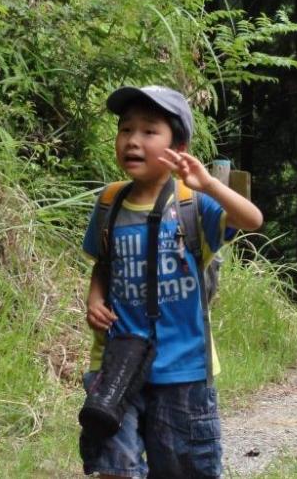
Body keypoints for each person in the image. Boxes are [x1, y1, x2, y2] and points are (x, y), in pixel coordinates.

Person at [81, 85, 263, 478]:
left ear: (177, 146)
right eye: (125, 129)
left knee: (183, 469)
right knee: (116, 467)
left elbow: (252, 220)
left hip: (182, 369)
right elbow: (102, 264)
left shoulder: (191, 204)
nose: (133, 140)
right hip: (117, 365)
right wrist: (94, 300)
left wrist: (209, 184)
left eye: (149, 132)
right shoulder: (110, 202)